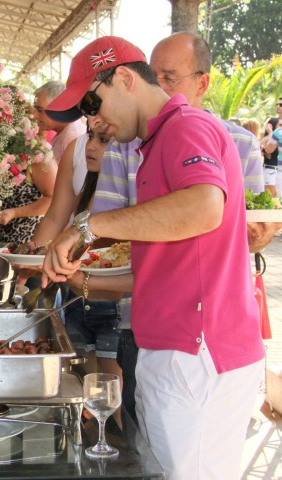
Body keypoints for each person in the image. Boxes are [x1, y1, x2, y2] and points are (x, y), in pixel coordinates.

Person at [43, 35, 265, 480]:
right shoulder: (151, 145)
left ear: (123, 78)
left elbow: (204, 207)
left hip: (198, 354)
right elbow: (168, 267)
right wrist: (83, 282)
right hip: (170, 348)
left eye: (92, 104)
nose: (94, 121)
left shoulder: (185, 126)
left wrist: (89, 226)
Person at [31, 123, 121, 377]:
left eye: (103, 140)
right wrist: (35, 258)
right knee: (83, 379)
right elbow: (55, 220)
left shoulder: (122, 192)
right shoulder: (89, 183)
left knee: (110, 385)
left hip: (112, 306)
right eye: (90, 136)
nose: (90, 146)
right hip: (77, 300)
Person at [33, 80, 87, 166]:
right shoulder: (65, 132)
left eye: (39, 110)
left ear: (59, 108)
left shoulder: (72, 139)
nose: (34, 115)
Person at [261, 117, 279, 196]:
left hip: (278, 171)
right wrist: (271, 134)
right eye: (280, 125)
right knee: (270, 198)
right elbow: (266, 150)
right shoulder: (267, 138)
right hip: (269, 170)